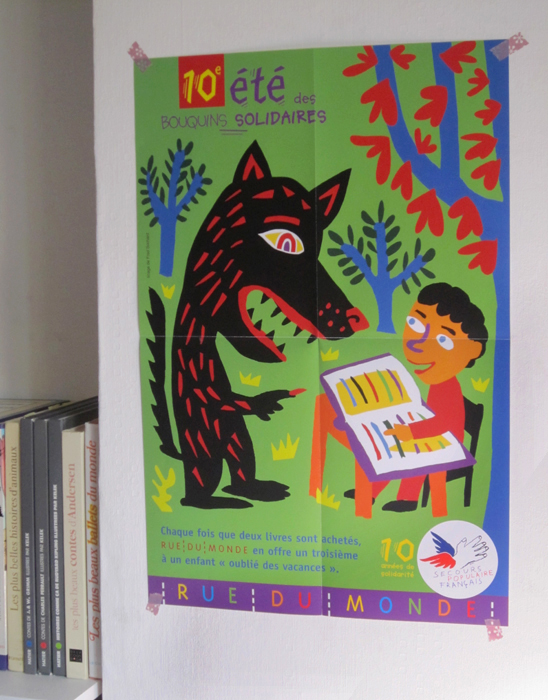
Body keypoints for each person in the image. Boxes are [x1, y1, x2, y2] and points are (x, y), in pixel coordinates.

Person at [375, 282, 488, 512]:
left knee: (404, 449)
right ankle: (375, 493)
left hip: (447, 442)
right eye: (415, 324)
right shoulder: (438, 382)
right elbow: (432, 416)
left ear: (472, 350)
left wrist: (410, 431)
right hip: (437, 436)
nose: (420, 343)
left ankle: (405, 498)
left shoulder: (447, 385)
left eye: (443, 340)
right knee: (397, 445)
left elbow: (444, 423)